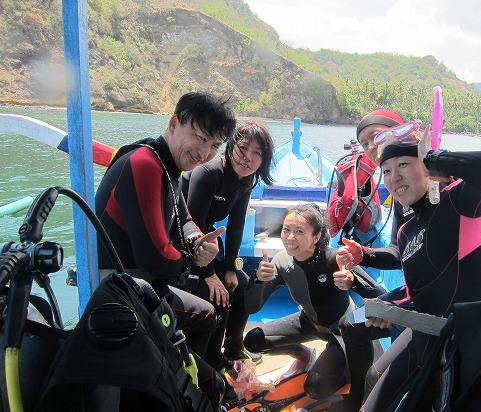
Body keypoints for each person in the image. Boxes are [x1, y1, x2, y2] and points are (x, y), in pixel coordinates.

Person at [337, 126, 481, 411]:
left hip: (464, 346)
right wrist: (368, 263)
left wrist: (436, 159)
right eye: (387, 170)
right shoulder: (407, 229)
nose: (394, 176)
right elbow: (415, 282)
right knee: (365, 356)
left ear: (425, 166)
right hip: (427, 330)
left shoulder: (458, 199)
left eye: (404, 165)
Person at [95, 91, 237, 410]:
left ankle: (177, 376)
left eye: (215, 145)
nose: (204, 153)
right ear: (174, 124)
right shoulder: (144, 164)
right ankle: (177, 383)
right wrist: (193, 259)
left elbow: (184, 218)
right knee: (212, 379)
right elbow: (156, 258)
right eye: (200, 137)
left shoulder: (168, 166)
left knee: (209, 313)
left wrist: (198, 241)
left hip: (144, 285)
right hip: (121, 294)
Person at [243, 203, 386, 401]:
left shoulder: (335, 258)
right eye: (286, 229)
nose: (290, 237)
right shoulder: (282, 261)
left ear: (316, 237)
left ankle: (348, 365)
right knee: (253, 340)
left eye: (299, 231)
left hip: (343, 332)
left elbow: (380, 295)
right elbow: (252, 307)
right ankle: (305, 356)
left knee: (315, 387)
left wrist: (353, 281)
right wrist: (258, 280)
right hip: (309, 322)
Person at [182, 121, 275, 372]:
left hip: (209, 242)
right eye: (243, 148)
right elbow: (193, 225)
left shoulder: (246, 180)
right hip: (186, 244)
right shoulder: (209, 173)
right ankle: (212, 360)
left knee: (243, 286)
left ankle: (233, 347)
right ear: (231, 146)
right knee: (220, 295)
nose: (247, 158)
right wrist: (209, 274)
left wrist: (231, 267)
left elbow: (236, 225)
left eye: (257, 153)